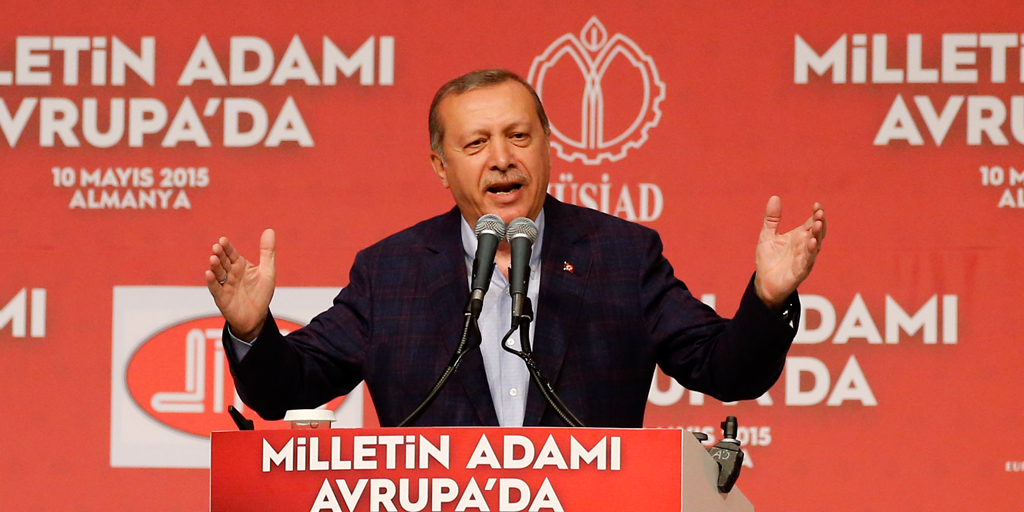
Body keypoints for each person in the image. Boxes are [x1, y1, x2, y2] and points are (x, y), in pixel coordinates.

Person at [205, 69, 826, 427]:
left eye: (518, 136)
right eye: (475, 145)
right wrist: (253, 331)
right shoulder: (389, 271)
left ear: (549, 147)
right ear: (441, 166)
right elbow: (284, 389)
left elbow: (728, 370)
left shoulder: (621, 255)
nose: (502, 159)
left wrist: (769, 298)